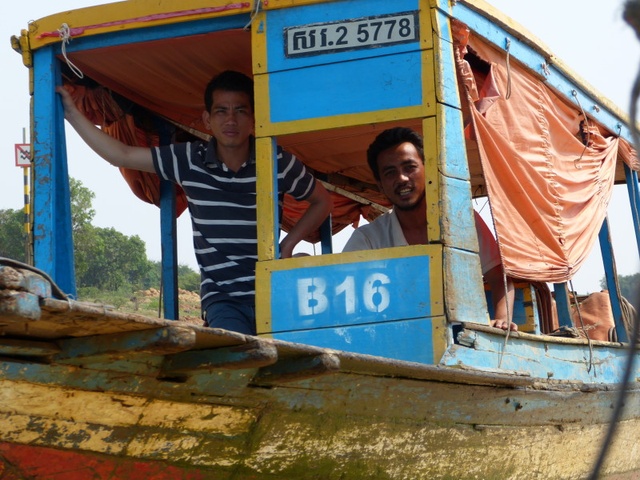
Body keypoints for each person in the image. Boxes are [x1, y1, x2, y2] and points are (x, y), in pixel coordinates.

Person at [56, 70, 332, 336]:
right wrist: (71, 113)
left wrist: (289, 245)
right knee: (239, 361)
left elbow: (321, 201)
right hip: (223, 299)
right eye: (221, 111)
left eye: (240, 110)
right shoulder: (189, 159)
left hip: (275, 291)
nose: (231, 120)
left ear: (254, 118)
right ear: (207, 120)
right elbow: (123, 155)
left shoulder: (277, 162)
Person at [342, 127, 516, 331]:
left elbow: (499, 276)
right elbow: (346, 296)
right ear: (380, 186)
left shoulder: (460, 220)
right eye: (390, 173)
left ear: (428, 169)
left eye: (409, 167)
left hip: (464, 339)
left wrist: (502, 319)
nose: (402, 178)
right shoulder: (367, 238)